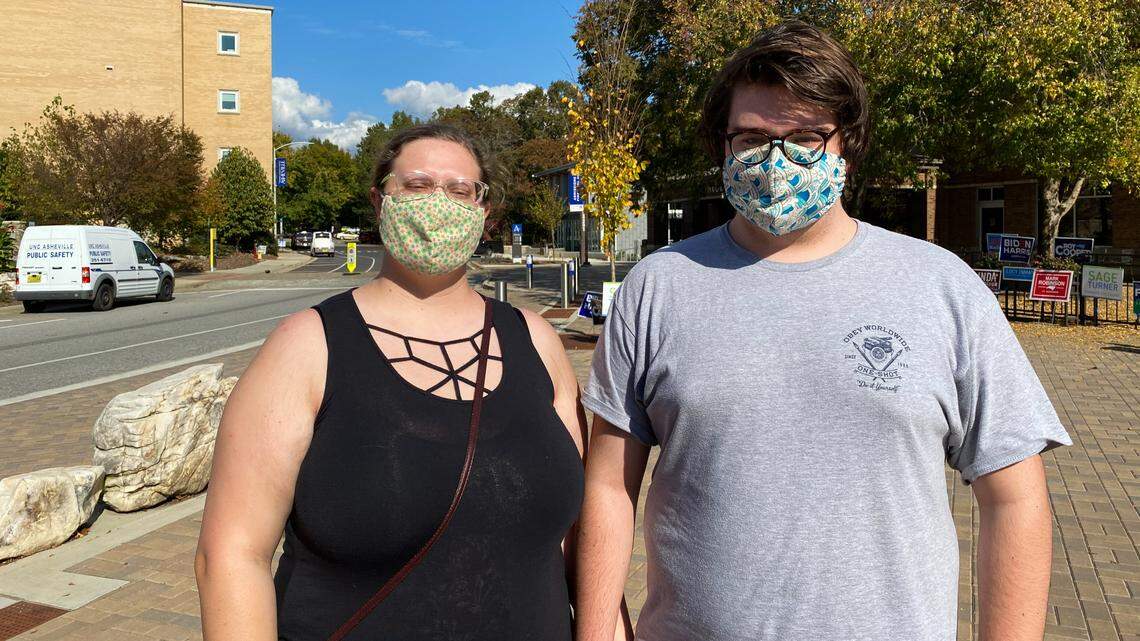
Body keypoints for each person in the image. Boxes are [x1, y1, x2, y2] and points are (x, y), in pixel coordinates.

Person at [575, 20, 1071, 641]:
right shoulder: (658, 288)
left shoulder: (941, 287)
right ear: (722, 147)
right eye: (752, 137)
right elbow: (607, 489)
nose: (777, 159)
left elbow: (1014, 498)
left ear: (848, 145)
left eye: (807, 136)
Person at [195, 124, 586, 640]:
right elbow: (230, 555)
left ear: (484, 212)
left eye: (460, 189)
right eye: (418, 185)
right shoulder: (307, 346)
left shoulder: (537, 342)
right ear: (380, 201)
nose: (438, 203)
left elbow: (575, 539)